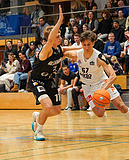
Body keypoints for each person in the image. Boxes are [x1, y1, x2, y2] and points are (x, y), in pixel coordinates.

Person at [64, 30, 129, 136]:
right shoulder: (77, 55)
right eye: (84, 45)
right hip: (87, 86)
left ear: (93, 43)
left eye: (89, 44)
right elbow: (62, 52)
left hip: (102, 83)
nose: (86, 47)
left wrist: (102, 89)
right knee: (99, 114)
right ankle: (103, 113)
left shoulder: (99, 57)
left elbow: (113, 76)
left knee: (120, 105)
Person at [30, 5, 81, 141]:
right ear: (50, 38)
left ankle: (37, 116)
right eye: (57, 36)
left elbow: (76, 48)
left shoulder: (60, 49)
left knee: (57, 110)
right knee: (47, 105)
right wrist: (59, 21)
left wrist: (88, 45)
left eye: (60, 35)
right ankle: (39, 132)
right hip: (37, 80)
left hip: (49, 81)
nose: (60, 37)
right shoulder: (45, 50)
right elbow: (51, 38)